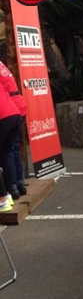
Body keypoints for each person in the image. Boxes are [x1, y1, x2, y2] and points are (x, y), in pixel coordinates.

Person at [0, 61, 27, 199]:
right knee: (14, 148)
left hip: (8, 109)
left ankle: (10, 188)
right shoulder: (1, 65)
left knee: (7, 152)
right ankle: (19, 184)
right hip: (17, 107)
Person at [0, 80, 21, 213]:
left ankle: (2, 200)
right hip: (14, 114)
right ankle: (8, 195)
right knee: (4, 155)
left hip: (3, 117)